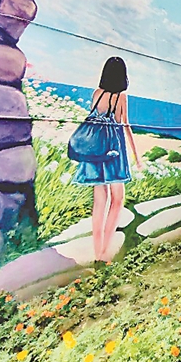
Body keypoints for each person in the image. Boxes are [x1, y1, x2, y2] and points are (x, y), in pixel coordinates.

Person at [73, 57, 142, 262]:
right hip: (114, 150)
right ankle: (104, 251)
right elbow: (125, 125)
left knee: (99, 202)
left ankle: (97, 251)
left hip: (95, 150)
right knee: (117, 199)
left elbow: (93, 120)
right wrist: (136, 156)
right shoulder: (121, 97)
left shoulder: (97, 93)